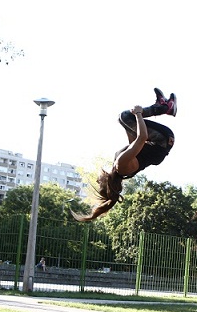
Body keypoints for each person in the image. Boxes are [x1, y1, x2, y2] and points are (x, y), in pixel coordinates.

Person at [73, 88, 177, 221]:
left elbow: (134, 143)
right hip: (162, 140)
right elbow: (142, 137)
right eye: (100, 184)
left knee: (125, 119)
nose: (97, 180)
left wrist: (128, 127)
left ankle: (162, 106)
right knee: (125, 116)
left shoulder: (121, 168)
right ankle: (165, 107)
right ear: (107, 183)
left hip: (161, 144)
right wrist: (139, 114)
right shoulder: (120, 165)